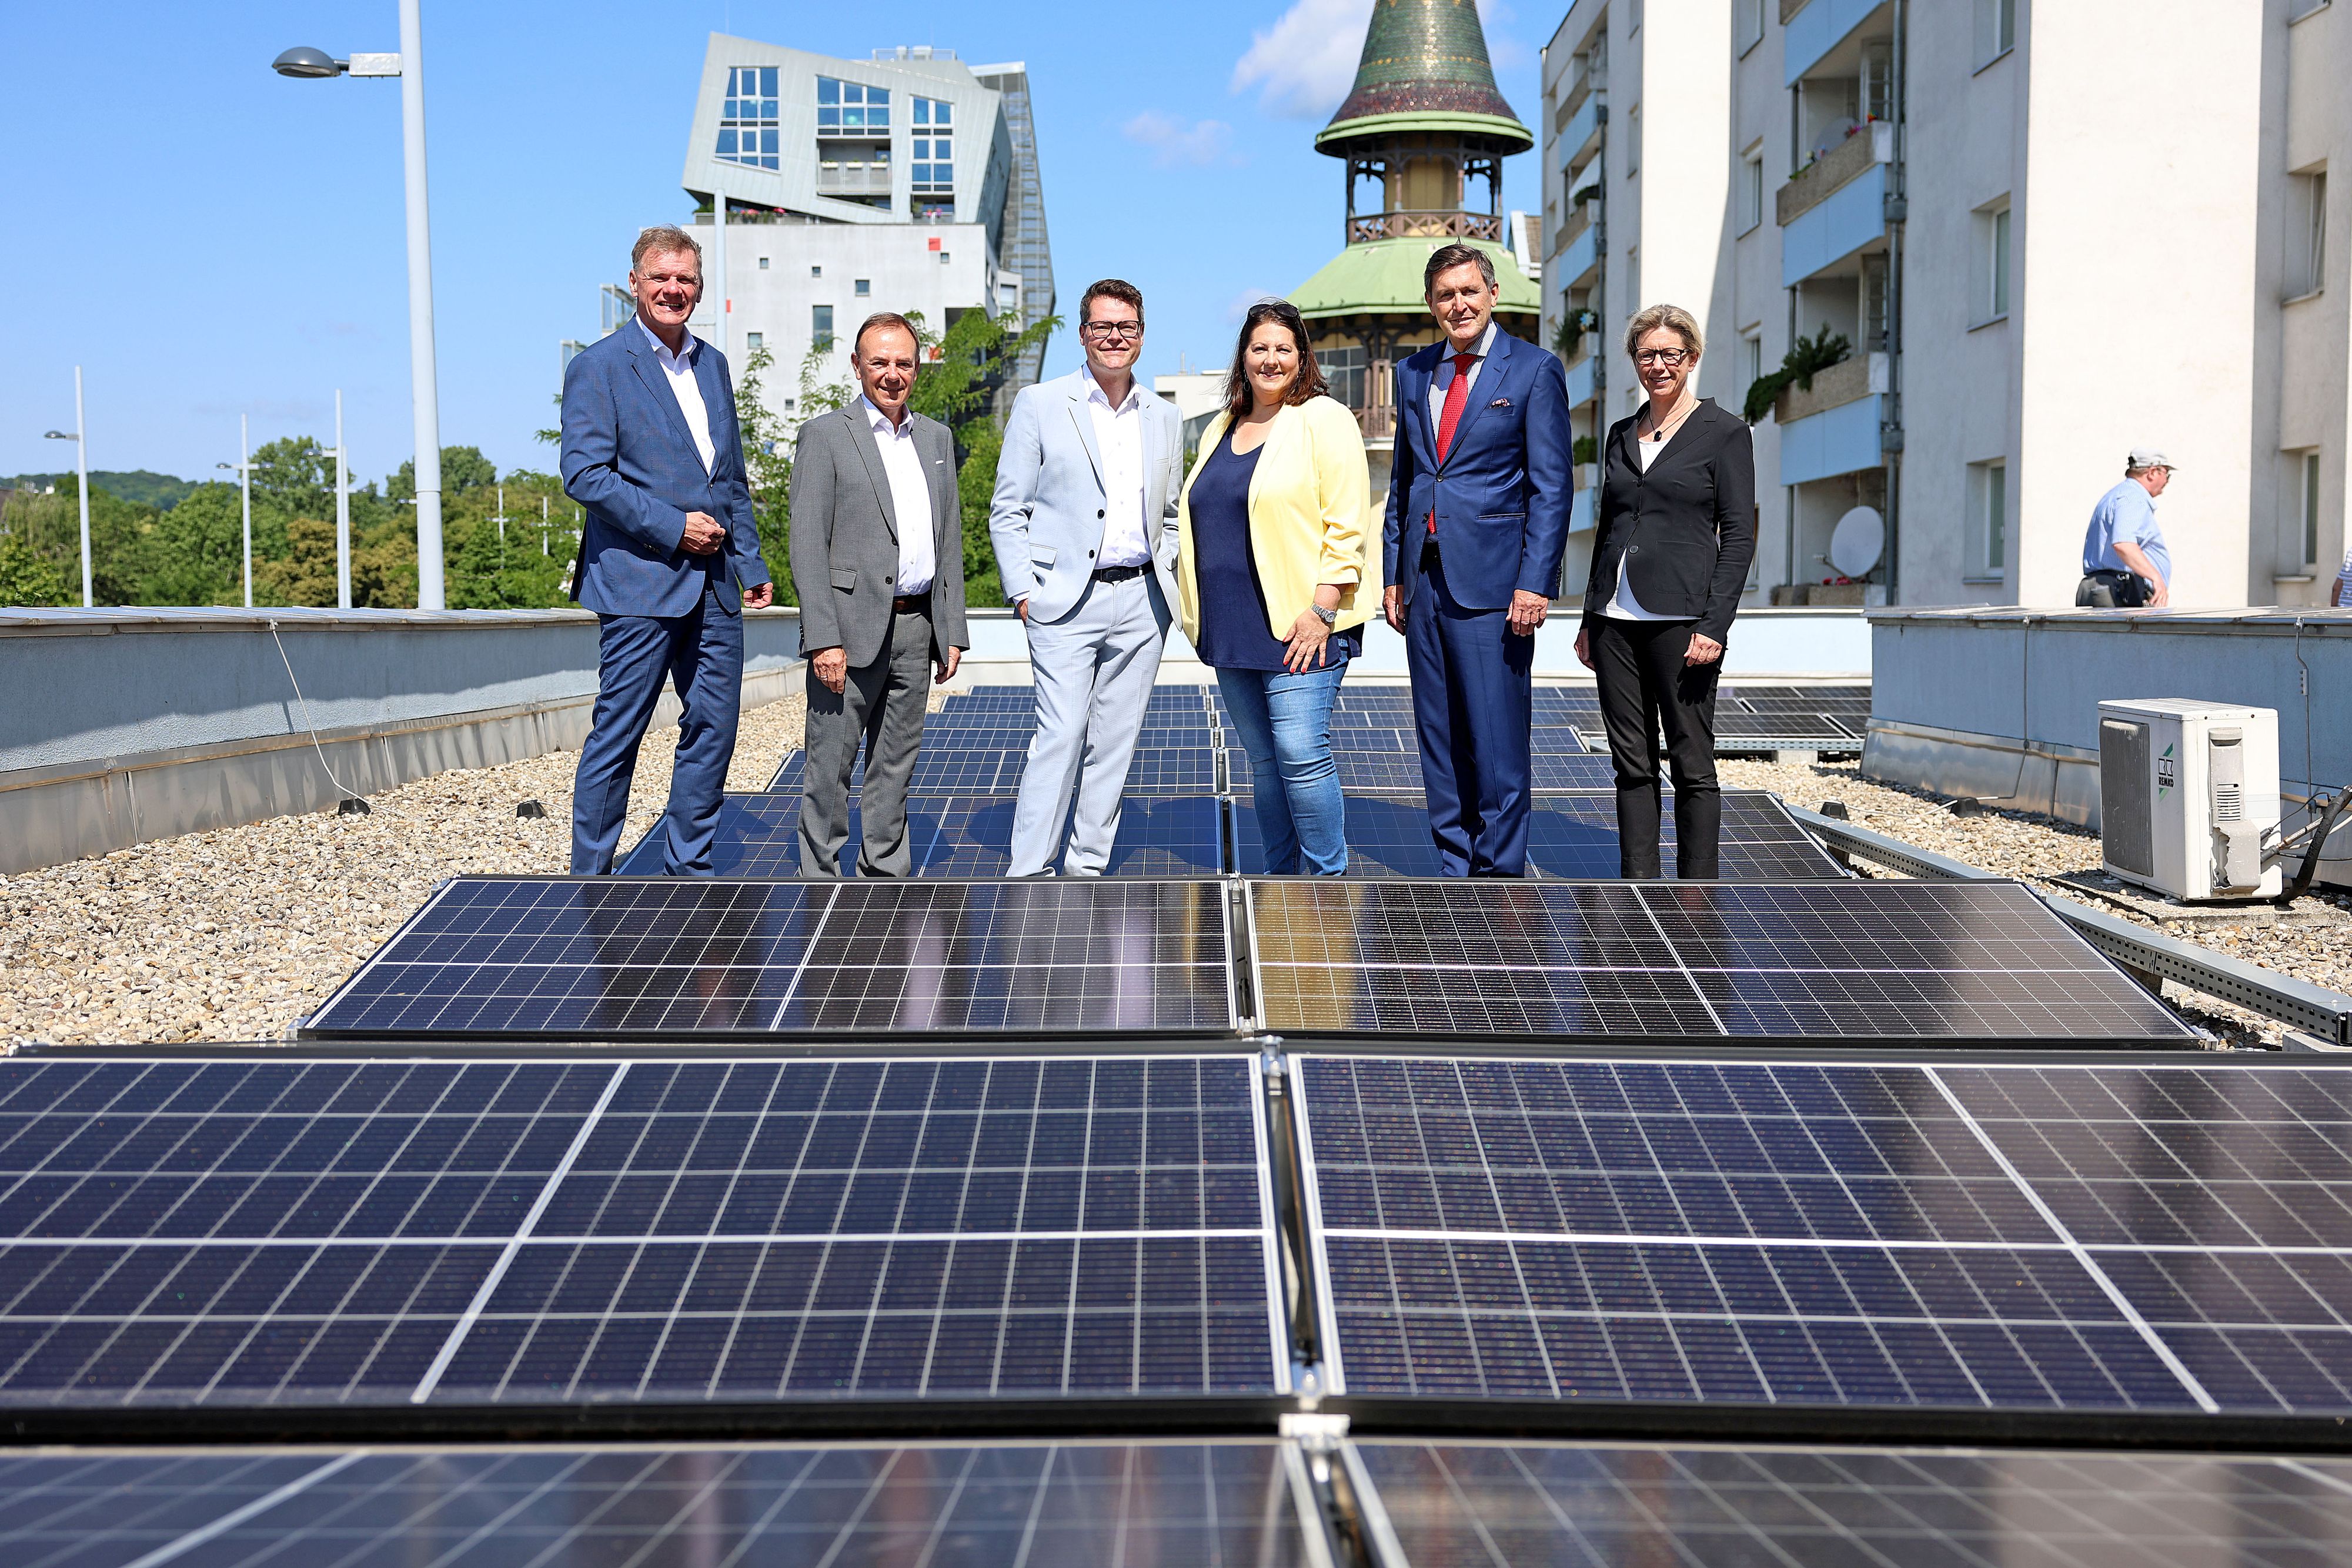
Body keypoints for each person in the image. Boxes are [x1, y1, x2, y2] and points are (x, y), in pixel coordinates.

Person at [561, 225, 773, 876]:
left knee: (713, 728)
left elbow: (728, 476)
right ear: (635, 283)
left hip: (714, 586)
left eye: (685, 279)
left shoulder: (713, 364)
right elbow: (584, 475)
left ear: (698, 287)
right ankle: (589, 880)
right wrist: (673, 526)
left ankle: (689, 870)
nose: (673, 290)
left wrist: (751, 563)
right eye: (661, 278)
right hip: (637, 583)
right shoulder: (597, 367)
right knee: (619, 734)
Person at [1381, 243, 1572, 877]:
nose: (1457, 304)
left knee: (1495, 741)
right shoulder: (1413, 374)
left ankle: (1498, 877)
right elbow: (1404, 484)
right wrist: (1392, 575)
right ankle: (1454, 868)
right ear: (1431, 305)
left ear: (1492, 294)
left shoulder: (1533, 370)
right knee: (1438, 736)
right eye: (1444, 295)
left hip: (1495, 584)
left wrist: (1535, 581)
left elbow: (1551, 487)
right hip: (1424, 581)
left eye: (1468, 291)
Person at [988, 279, 1185, 876]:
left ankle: (1086, 867)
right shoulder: (1040, 403)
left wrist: (1166, 578)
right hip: (1061, 601)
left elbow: (1171, 513)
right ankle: (1028, 869)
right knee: (1062, 734)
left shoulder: (1166, 416)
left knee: (1115, 742)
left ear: (1142, 337)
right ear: (1083, 334)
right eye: (1102, 326)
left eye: (1125, 327)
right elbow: (1008, 507)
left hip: (1142, 601)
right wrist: (1023, 590)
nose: (1114, 337)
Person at [1174, 299, 1378, 875]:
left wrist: (1322, 609)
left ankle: (1325, 883)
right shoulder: (1221, 426)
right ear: (1243, 356)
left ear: (1301, 357)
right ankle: (1282, 880)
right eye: (1259, 348)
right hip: (1231, 626)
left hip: (1301, 624)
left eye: (1282, 349)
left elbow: (1347, 522)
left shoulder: (1323, 418)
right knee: (1263, 762)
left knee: (1300, 754)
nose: (1270, 359)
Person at [1573, 304, 1756, 880]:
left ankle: (1697, 894)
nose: (1657, 365)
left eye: (1669, 355)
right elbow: (1608, 529)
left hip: (1683, 620)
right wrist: (1587, 617)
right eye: (1646, 355)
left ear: (1691, 359)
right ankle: (1639, 889)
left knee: (1692, 764)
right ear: (1634, 362)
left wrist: (1714, 626)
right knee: (1631, 764)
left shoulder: (1724, 432)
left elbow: (1740, 534)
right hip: (1613, 622)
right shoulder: (1620, 434)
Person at [790, 312, 969, 877]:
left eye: (904, 363)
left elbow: (950, 540)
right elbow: (806, 544)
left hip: (917, 630)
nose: (892, 374)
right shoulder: (825, 436)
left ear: (918, 369)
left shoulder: (936, 439)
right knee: (829, 767)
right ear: (857, 365)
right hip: (846, 632)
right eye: (880, 362)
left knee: (895, 766)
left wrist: (952, 629)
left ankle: (885, 879)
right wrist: (823, 638)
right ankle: (818, 881)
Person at [2077, 449, 2177, 607]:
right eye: (2166, 473)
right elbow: (2124, 544)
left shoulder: (2117, 495)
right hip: (2120, 593)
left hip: (2107, 588)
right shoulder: (2133, 498)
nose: (2167, 480)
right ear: (2152, 472)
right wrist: (2155, 578)